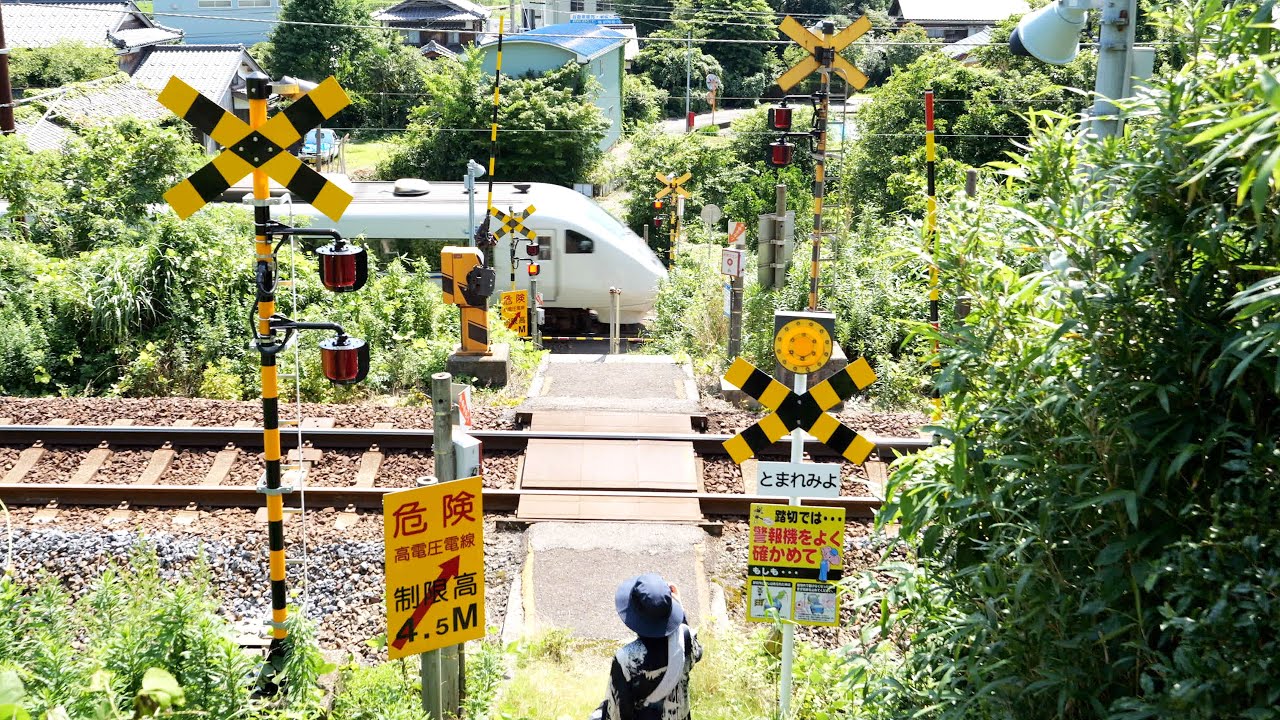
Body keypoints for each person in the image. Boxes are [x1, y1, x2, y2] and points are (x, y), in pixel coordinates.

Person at [592, 573, 703, 720]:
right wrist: (681, 613)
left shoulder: (626, 659)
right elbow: (696, 654)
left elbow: (615, 714)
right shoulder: (686, 637)